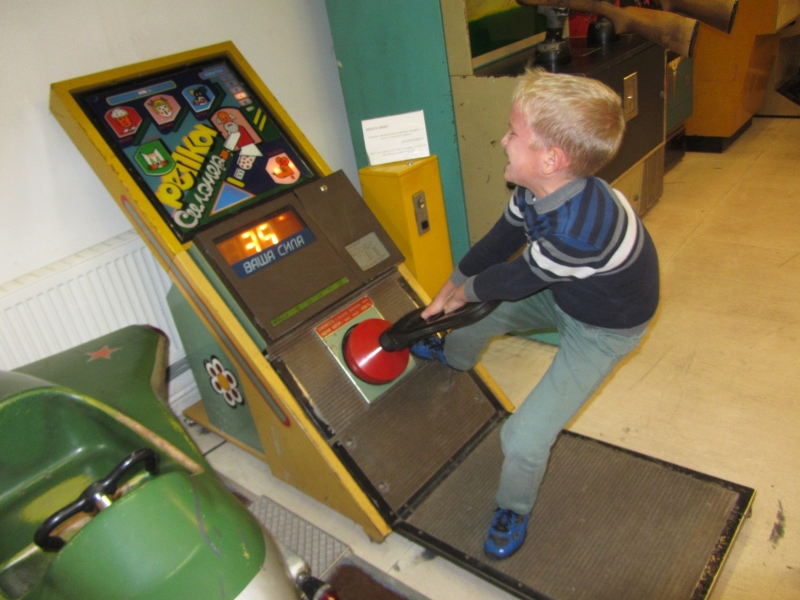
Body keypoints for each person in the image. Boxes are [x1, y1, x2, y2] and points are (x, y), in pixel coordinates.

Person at [410, 67, 659, 559]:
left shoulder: (580, 232)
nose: (503, 139)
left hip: (605, 329)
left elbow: (514, 278)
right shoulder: (535, 191)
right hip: (568, 290)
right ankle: (454, 358)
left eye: (513, 133)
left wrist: (463, 294)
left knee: (523, 437)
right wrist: (448, 289)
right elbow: (498, 243)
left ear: (550, 159)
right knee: (477, 314)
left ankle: (514, 508)